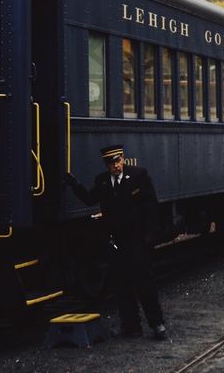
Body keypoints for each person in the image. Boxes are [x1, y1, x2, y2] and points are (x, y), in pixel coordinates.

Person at [65, 144, 167, 339]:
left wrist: (149, 236)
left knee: (145, 283)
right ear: (106, 165)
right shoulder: (102, 181)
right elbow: (89, 199)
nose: (116, 166)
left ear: (123, 159)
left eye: (118, 161)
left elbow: (151, 206)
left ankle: (157, 323)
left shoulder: (138, 176)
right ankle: (131, 326)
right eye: (112, 163)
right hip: (116, 242)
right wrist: (74, 184)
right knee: (122, 286)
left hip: (136, 240)